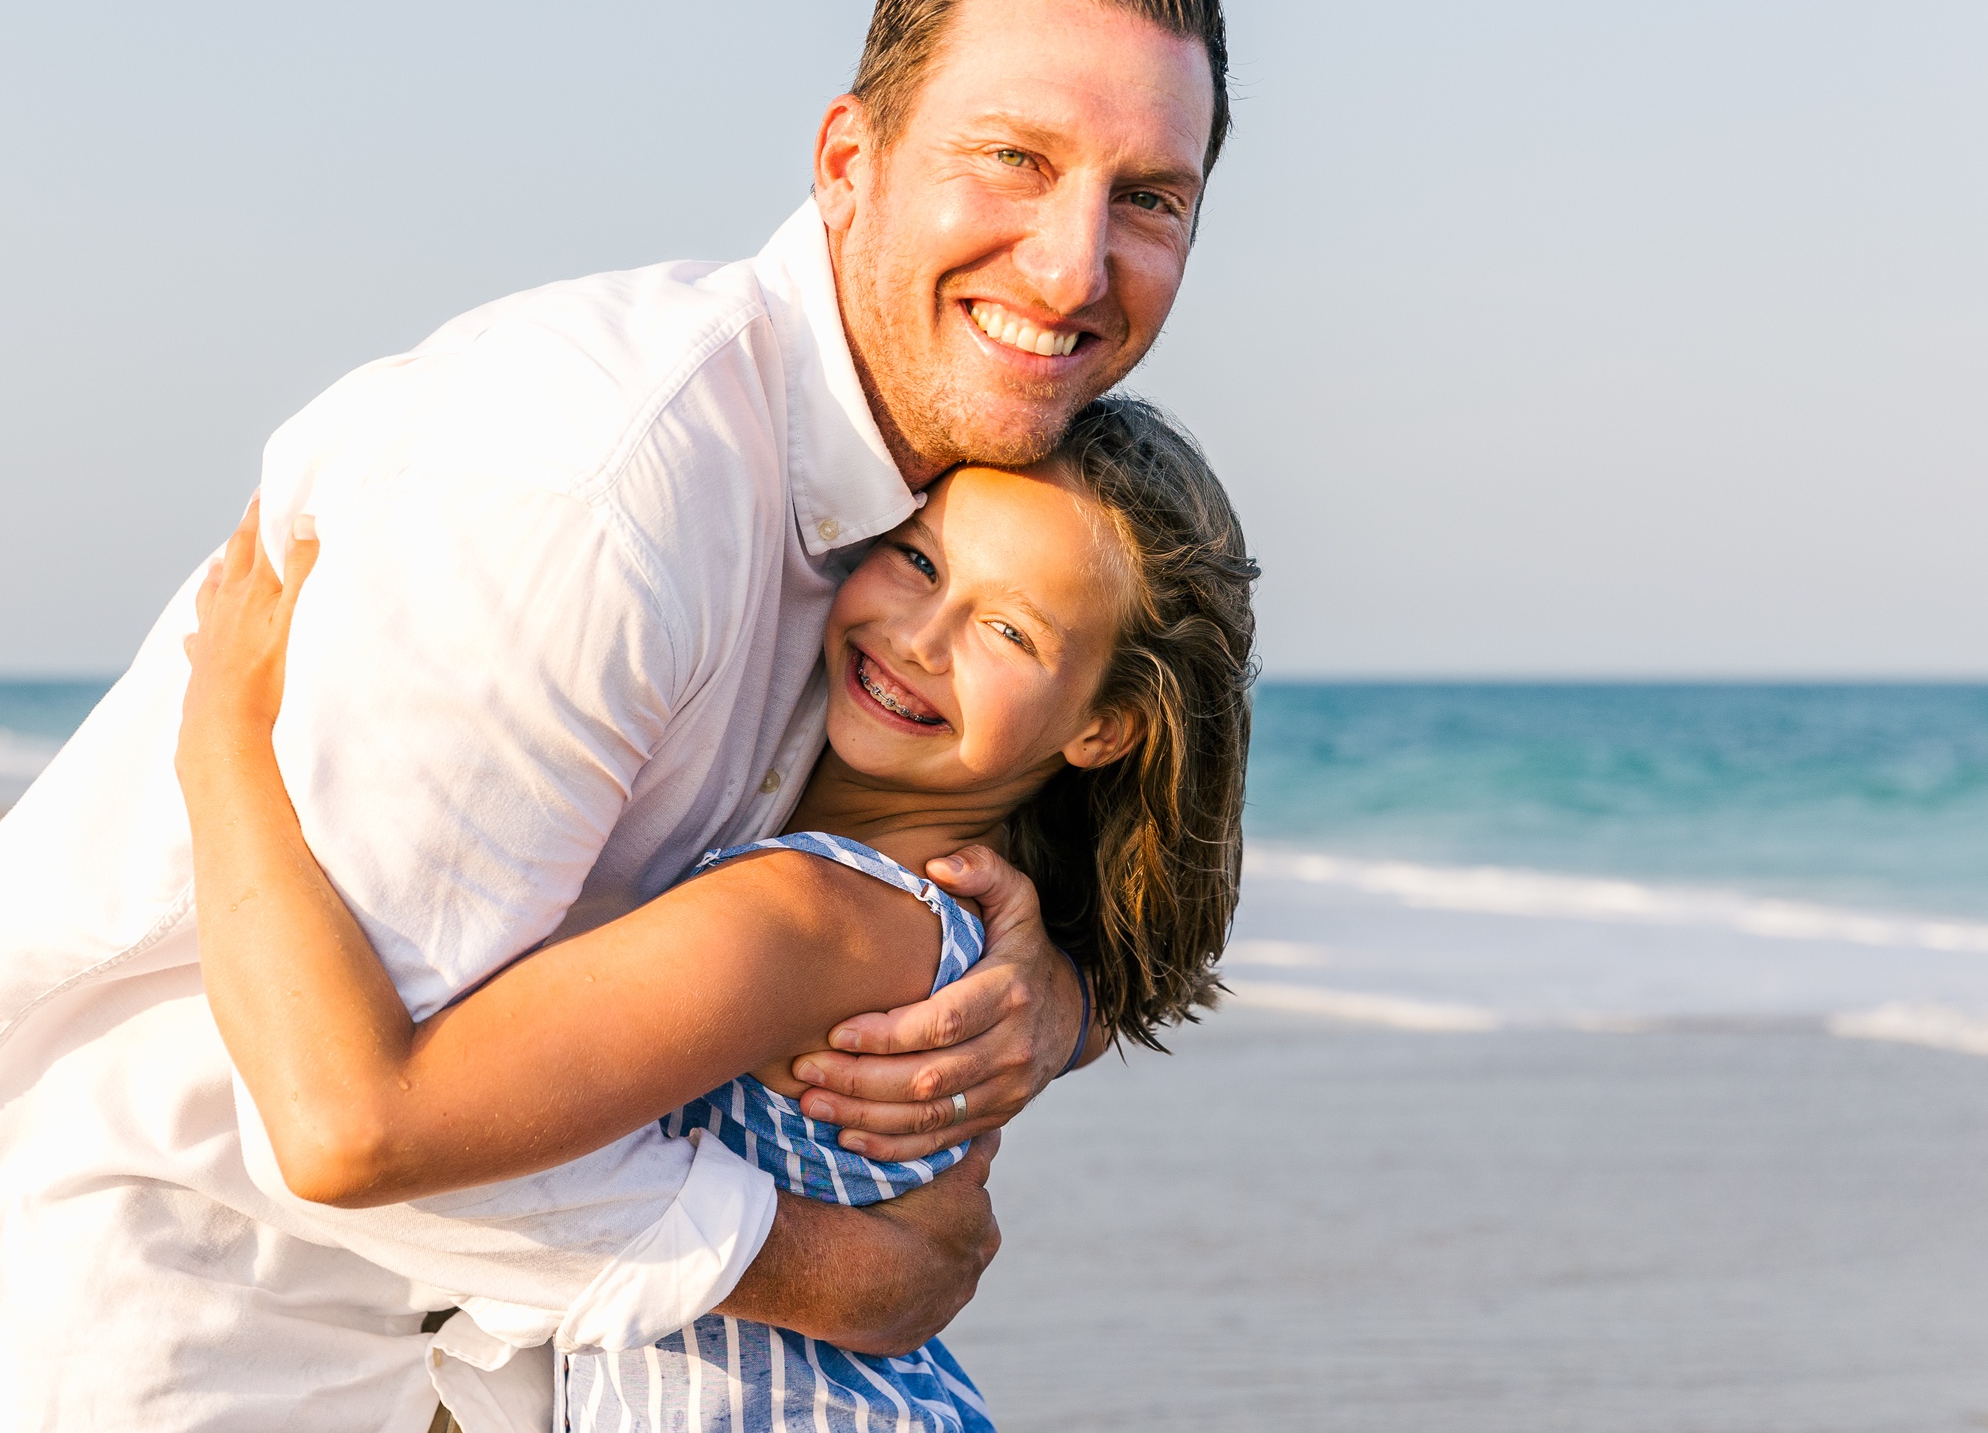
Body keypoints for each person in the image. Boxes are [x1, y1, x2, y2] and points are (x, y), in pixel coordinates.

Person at [0, 0, 1232, 1432]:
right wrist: (843, 1274)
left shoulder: (935, 515)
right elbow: (343, 1113)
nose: (1077, 263)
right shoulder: (598, 493)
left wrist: (1045, 997)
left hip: (469, 1367)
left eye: (1149, 196)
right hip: (203, 1328)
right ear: (847, 164)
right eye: (1013, 157)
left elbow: (1075, 815)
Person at [177, 393, 1258, 1431]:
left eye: (1010, 631)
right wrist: (1068, 1010)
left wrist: (221, 737)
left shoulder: (810, 911)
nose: (922, 634)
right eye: (920, 558)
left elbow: (347, 1126)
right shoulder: (936, 927)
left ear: (1106, 727)